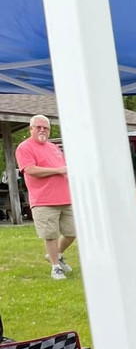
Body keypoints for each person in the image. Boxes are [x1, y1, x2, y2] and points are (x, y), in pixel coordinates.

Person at [15, 115, 75, 280]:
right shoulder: (24, 147)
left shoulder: (54, 148)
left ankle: (57, 255)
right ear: (31, 129)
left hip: (66, 198)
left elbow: (65, 169)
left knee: (72, 232)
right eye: (38, 127)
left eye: (45, 128)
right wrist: (58, 171)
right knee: (50, 235)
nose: (42, 130)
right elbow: (31, 170)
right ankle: (56, 268)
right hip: (44, 200)